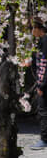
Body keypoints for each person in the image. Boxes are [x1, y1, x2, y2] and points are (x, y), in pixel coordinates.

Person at [29, 17, 47, 150]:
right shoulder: (41, 41)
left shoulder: (45, 42)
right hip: (42, 81)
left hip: (45, 83)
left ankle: (44, 139)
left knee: (43, 111)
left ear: (38, 29)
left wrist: (42, 85)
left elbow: (45, 65)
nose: (31, 32)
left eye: (32, 29)